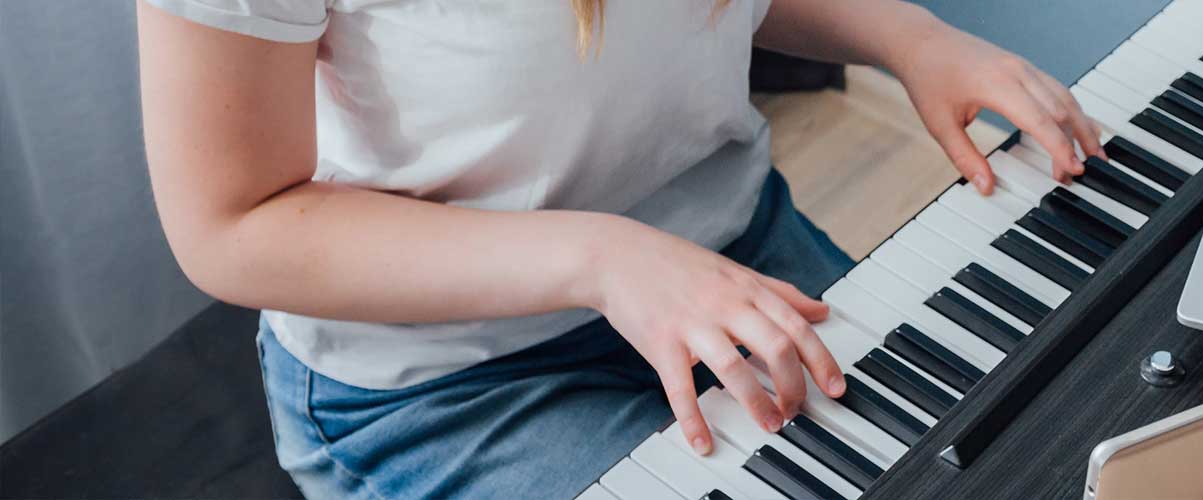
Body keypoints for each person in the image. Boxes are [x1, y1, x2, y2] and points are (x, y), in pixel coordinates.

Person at [134, 0, 1103, 497]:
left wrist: (908, 34)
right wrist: (603, 258)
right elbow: (233, 223)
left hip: (733, 256)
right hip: (450, 378)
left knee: (1019, 447)